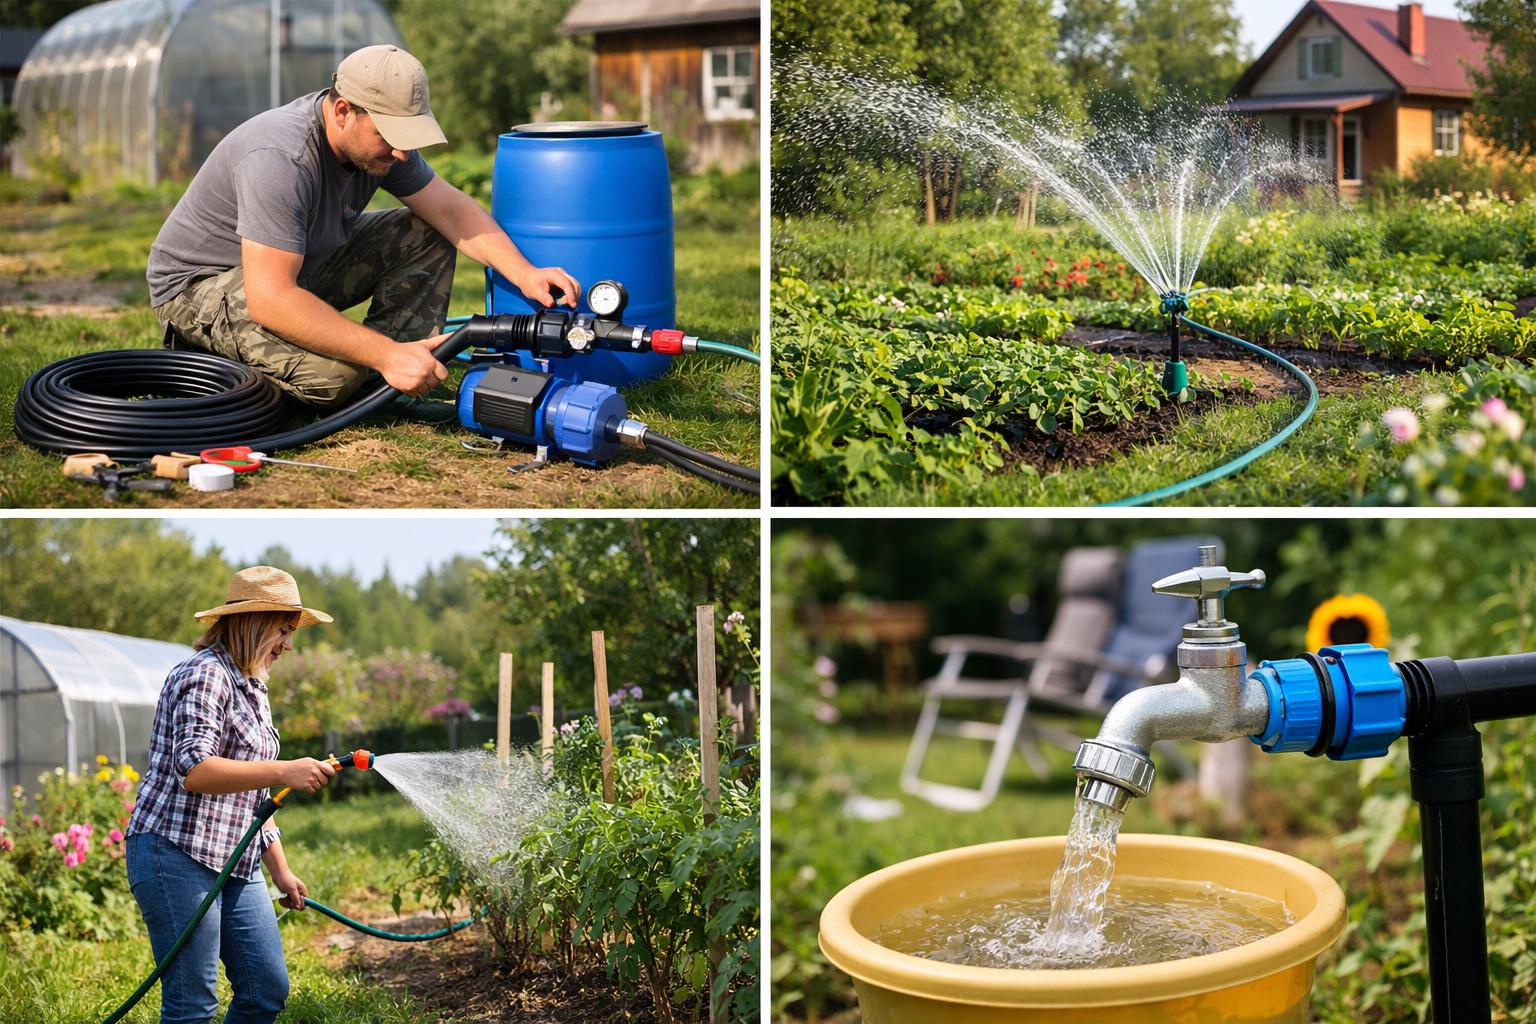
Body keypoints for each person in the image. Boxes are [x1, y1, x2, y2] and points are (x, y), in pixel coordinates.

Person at [146, 44, 579, 409]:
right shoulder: (280, 158)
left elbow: (449, 210)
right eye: (391, 135)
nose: (403, 154)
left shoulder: (380, 148)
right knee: (334, 379)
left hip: (290, 268)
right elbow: (271, 298)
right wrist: (382, 354)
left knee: (426, 232)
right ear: (342, 111)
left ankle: (392, 382)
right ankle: (206, 359)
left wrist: (524, 273)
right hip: (201, 286)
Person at [124, 566, 338, 1023]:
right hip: (174, 853)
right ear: (255, 623)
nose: (289, 644)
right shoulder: (205, 675)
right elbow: (196, 770)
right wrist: (287, 769)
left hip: (233, 859)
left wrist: (280, 870)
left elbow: (255, 794)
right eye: (284, 630)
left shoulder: (253, 684)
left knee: (266, 990)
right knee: (191, 1005)